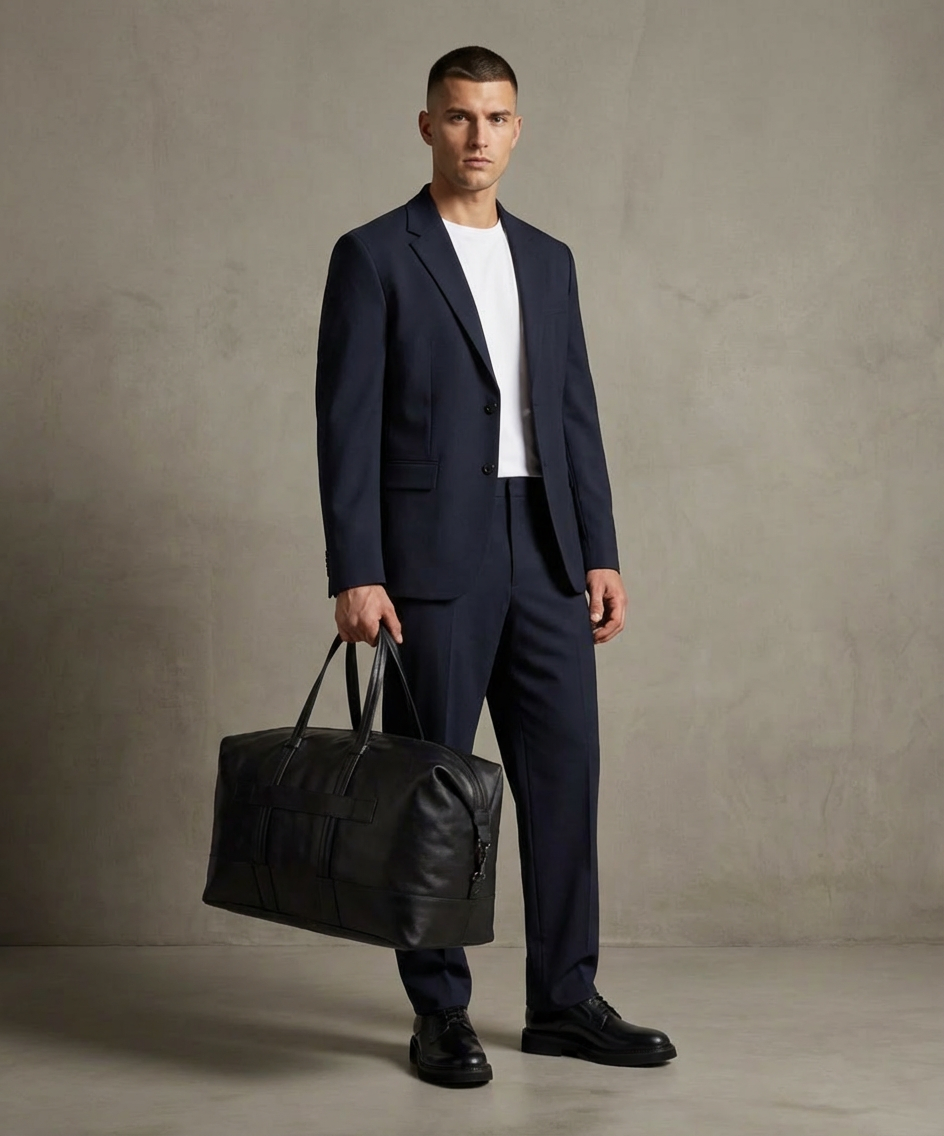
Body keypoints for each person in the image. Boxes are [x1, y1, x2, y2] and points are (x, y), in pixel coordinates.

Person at [315, 45, 676, 1087]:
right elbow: (344, 425)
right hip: (428, 559)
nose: (479, 136)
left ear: (518, 129)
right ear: (426, 125)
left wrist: (598, 548)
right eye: (459, 116)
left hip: (546, 549)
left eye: (496, 118)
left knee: (563, 778)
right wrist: (357, 565)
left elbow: (573, 412)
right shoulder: (375, 254)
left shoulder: (549, 259)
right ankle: (439, 1011)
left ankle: (564, 998)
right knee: (433, 791)